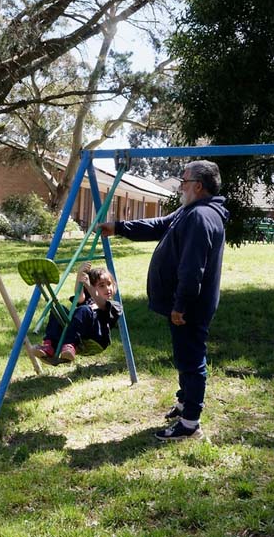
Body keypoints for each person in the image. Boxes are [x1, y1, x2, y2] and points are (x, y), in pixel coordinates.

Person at [100, 160, 228, 441]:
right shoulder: (190, 211)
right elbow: (159, 225)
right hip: (184, 304)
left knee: (192, 360)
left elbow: (193, 268)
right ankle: (185, 402)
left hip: (190, 307)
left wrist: (181, 305)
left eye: (184, 181)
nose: (180, 187)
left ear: (197, 186)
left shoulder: (200, 216)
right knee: (184, 355)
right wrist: (119, 228)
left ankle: (190, 424)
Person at [32, 263, 123, 363]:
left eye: (109, 284)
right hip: (81, 336)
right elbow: (79, 297)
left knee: (84, 309)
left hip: (97, 339)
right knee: (58, 309)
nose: (108, 288)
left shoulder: (115, 305)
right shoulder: (88, 300)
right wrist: (79, 275)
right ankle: (50, 345)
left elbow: (102, 304)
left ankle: (69, 345)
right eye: (102, 285)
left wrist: (90, 287)